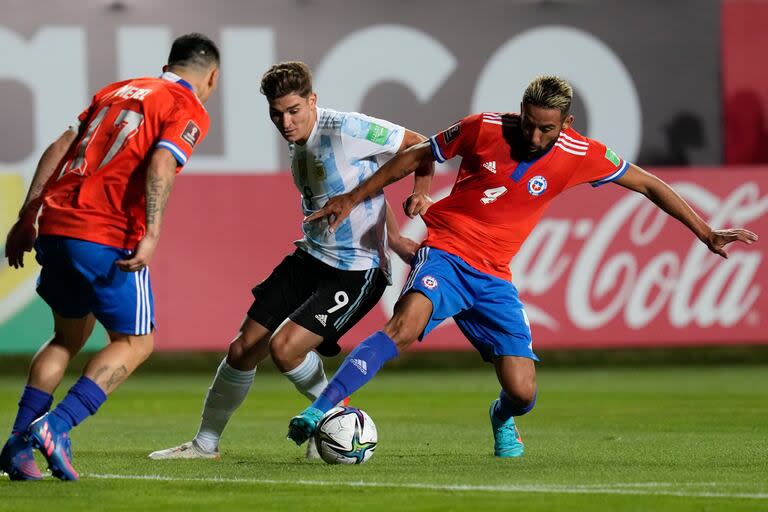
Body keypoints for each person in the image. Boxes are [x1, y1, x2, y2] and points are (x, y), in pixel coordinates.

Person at [286, 75, 760, 457]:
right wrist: (353, 198)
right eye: (529, 123)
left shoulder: (582, 154)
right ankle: (321, 411)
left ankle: (501, 417)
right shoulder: (482, 127)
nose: (534, 136)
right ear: (520, 110)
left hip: (495, 277)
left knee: (522, 392)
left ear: (566, 123)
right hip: (447, 252)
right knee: (404, 327)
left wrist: (706, 231)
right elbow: (415, 154)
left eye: (546, 129)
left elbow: (649, 184)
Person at [148, 61, 430, 461]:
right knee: (243, 348)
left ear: (313, 101)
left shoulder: (347, 129)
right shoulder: (298, 142)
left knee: (285, 350)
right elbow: (363, 184)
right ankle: (205, 444)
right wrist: (397, 236)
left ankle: (332, 420)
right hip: (311, 256)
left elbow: (421, 146)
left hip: (355, 270)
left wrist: (421, 193)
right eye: (276, 114)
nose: (285, 121)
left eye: (294, 110)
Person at [0, 33, 220, 481]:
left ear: (168, 62)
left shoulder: (115, 91)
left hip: (57, 224)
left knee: (66, 337)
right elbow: (162, 163)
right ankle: (56, 427)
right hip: (106, 232)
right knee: (137, 341)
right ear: (210, 77)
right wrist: (153, 234)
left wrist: (28, 216)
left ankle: (17, 447)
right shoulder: (188, 106)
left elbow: (61, 147)